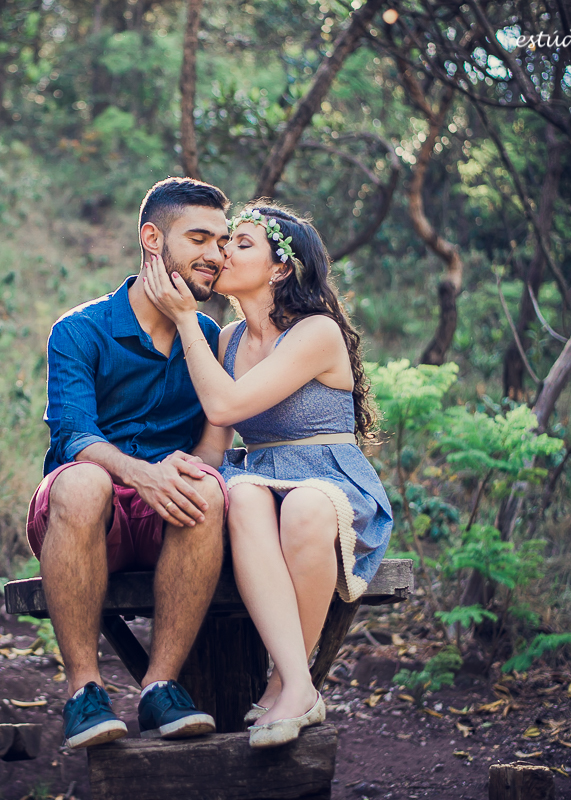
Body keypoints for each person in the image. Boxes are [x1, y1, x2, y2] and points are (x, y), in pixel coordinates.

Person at [143, 201, 393, 748]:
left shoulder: (315, 332)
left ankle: (285, 682)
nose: (223, 251)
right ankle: (300, 687)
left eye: (242, 243)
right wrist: (171, 469)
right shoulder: (228, 340)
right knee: (247, 494)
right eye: (225, 242)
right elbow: (216, 441)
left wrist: (186, 318)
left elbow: (228, 405)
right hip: (257, 475)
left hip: (325, 476)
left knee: (302, 507)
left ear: (281, 268)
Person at [28, 177, 235, 749]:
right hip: (86, 517)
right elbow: (72, 435)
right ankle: (84, 693)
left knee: (207, 488)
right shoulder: (80, 330)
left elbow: (212, 450)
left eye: (222, 241)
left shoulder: (210, 337)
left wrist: (185, 470)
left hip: (166, 517)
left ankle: (160, 687)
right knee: (84, 483)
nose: (215, 255)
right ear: (152, 238)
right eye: (199, 238)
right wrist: (141, 474)